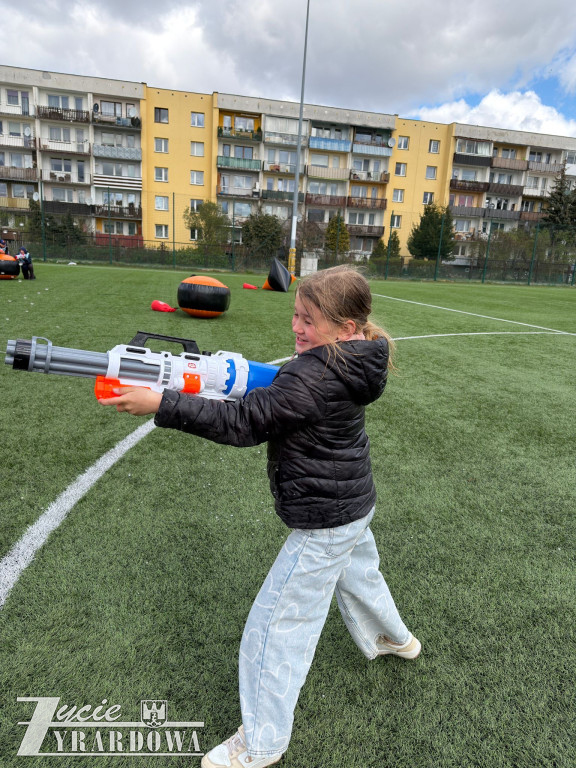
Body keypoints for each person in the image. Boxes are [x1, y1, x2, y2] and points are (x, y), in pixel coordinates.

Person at [99, 265, 420, 768]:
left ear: (347, 328)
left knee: (276, 625)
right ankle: (395, 639)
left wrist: (163, 401)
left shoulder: (315, 374)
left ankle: (263, 743)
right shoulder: (351, 360)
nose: (297, 327)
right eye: (296, 314)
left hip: (327, 516)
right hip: (353, 501)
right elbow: (276, 398)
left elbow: (246, 421)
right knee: (360, 575)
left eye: (309, 320)